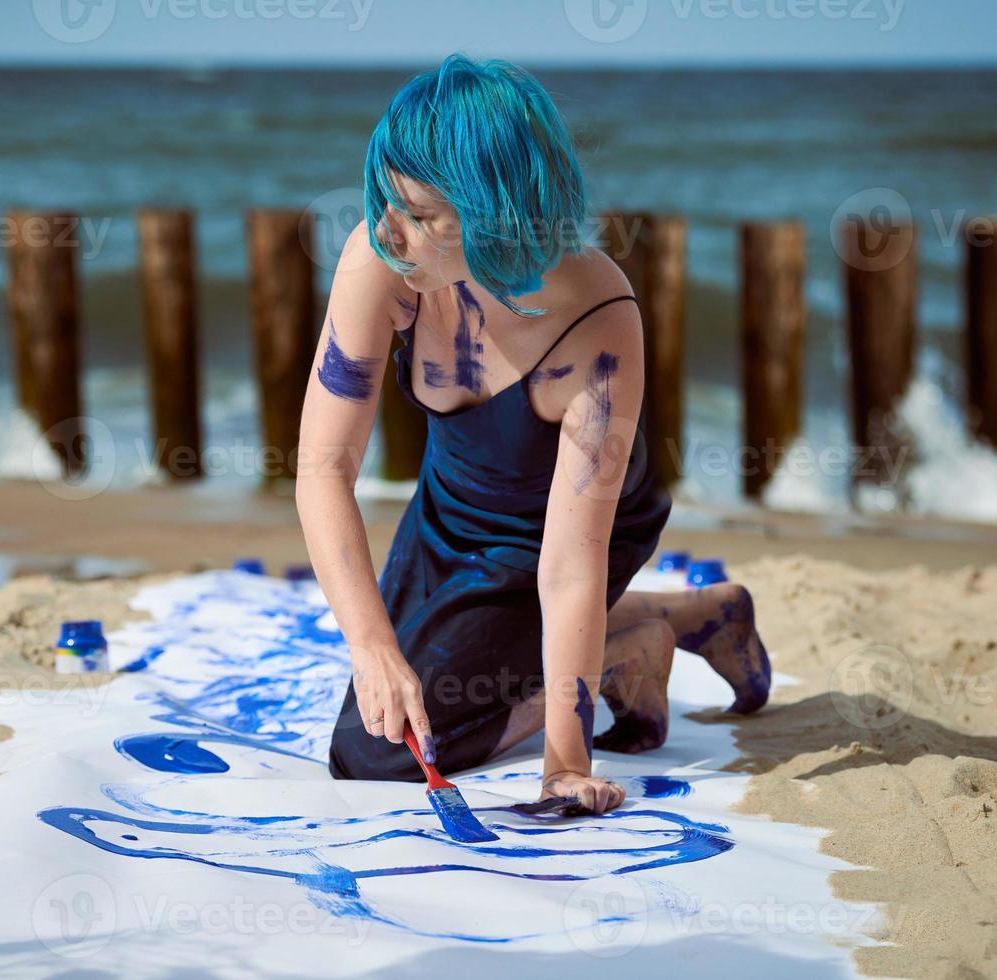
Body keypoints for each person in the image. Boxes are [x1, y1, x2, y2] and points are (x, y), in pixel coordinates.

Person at [295, 54, 771, 816]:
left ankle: (639, 638)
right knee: (387, 715)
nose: (390, 230)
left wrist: (564, 763)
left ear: (492, 208)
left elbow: (569, 564)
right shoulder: (380, 261)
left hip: (569, 533)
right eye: (386, 201)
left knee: (377, 758)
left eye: (418, 214)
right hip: (450, 513)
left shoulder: (597, 321)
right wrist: (372, 647)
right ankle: (659, 620)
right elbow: (323, 468)